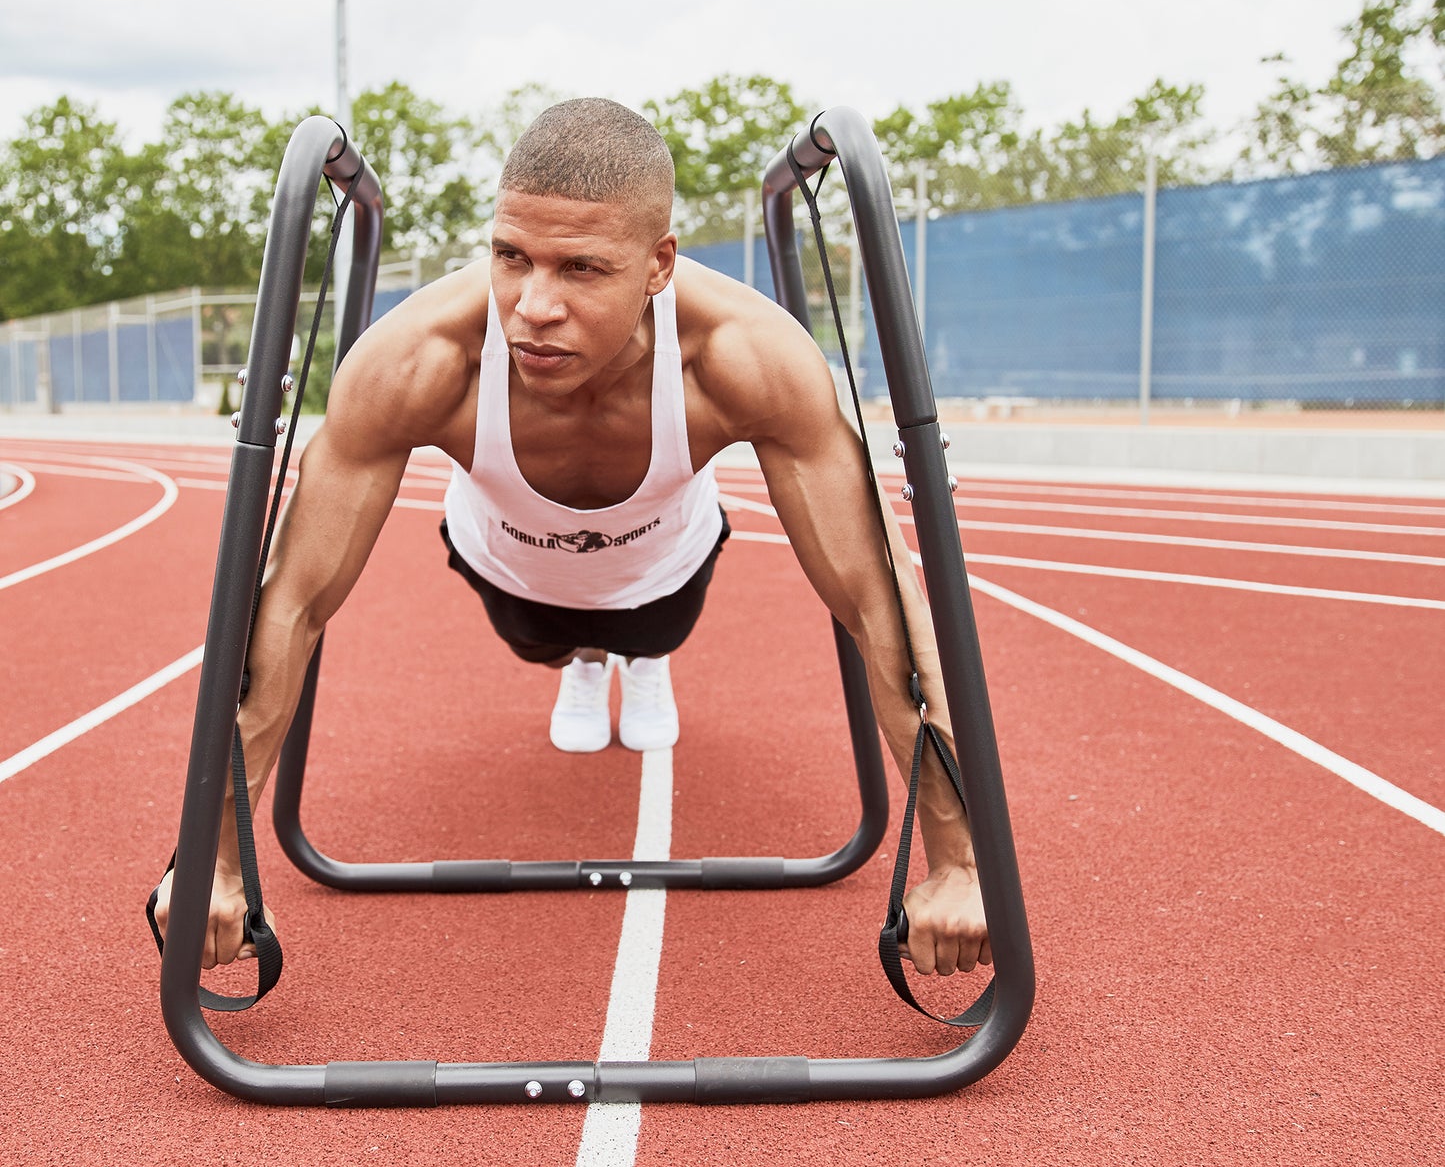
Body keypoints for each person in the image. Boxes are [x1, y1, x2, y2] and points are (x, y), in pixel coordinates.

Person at [152, 98, 989, 983]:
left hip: (664, 572)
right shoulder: (420, 359)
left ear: (659, 266)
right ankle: (588, 661)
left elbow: (878, 602)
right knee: (549, 647)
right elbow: (289, 603)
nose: (534, 306)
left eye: (583, 268)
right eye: (511, 257)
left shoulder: (744, 355)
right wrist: (212, 859)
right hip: (508, 569)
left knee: (653, 633)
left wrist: (960, 860)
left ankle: (632, 657)